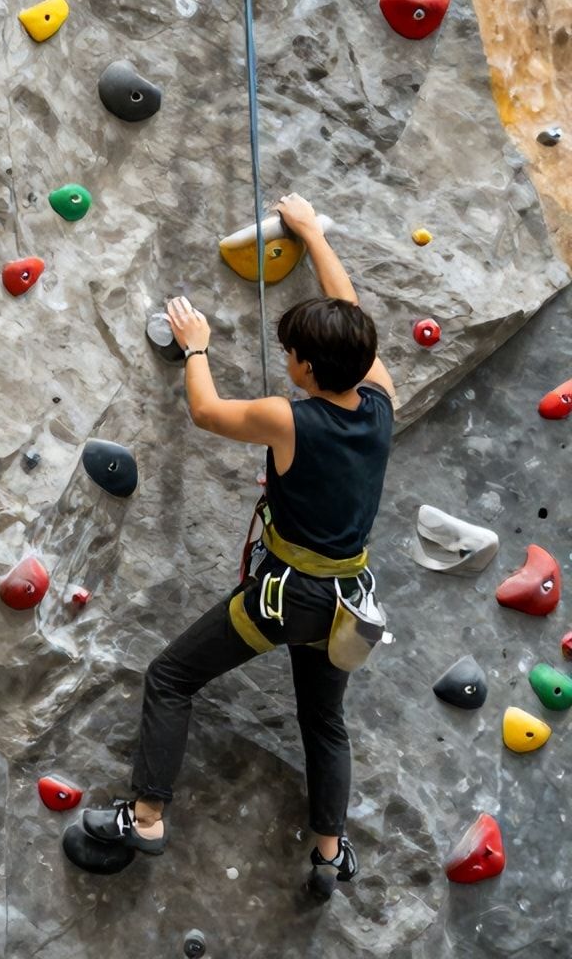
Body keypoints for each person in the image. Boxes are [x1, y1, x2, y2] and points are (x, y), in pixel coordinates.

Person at [78, 193, 396, 898]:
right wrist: (311, 234)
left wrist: (195, 347)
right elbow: (355, 319)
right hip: (346, 600)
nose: (285, 358)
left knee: (170, 676)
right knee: (324, 720)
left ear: (308, 369)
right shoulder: (379, 399)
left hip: (287, 598)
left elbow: (205, 410)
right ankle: (329, 851)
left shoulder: (288, 419)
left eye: (290, 353)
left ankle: (150, 815)